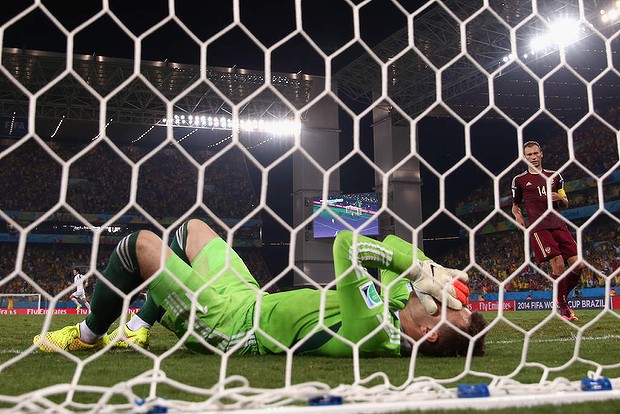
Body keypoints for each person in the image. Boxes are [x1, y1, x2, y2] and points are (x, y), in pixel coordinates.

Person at [34, 219, 487, 357]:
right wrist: (429, 268)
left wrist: (412, 268)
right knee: (194, 232)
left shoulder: (376, 332)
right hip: (252, 299)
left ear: (429, 334)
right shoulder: (396, 309)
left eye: (453, 308)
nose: (448, 296)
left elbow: (348, 245)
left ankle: (88, 334)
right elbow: (387, 242)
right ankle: (138, 323)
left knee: (139, 245)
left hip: (232, 325)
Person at [511, 140, 585, 321]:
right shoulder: (519, 180)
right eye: (529, 154)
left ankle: (560, 297)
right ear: (524, 157)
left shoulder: (555, 176)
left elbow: (565, 203)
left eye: (535, 153)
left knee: (579, 265)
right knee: (559, 264)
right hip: (539, 227)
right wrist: (518, 216)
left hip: (558, 224)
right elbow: (515, 206)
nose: (533, 157)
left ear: (541, 154)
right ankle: (564, 307)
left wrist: (559, 196)